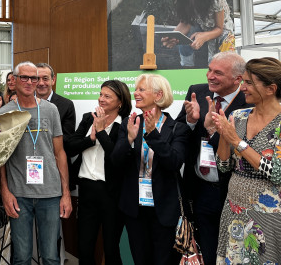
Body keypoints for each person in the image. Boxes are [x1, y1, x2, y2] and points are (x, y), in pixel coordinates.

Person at [176, 51, 251, 265]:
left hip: (233, 192)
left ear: (237, 79)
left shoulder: (249, 102)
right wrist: (191, 121)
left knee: (236, 253)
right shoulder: (197, 92)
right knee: (208, 251)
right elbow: (179, 131)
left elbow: (242, 149)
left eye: (218, 73)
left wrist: (212, 131)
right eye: (209, 70)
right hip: (200, 190)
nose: (210, 76)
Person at [111, 73, 190, 265]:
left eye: (141, 89)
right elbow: (115, 161)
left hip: (165, 209)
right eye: (136, 89)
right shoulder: (130, 123)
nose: (135, 93)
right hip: (135, 209)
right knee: (140, 260)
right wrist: (129, 139)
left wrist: (153, 134)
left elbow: (174, 162)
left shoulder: (177, 128)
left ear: (158, 95)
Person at [0, 61, 72, 265]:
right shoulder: (4, 113)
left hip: (50, 194)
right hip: (18, 194)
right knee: (21, 257)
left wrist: (65, 193)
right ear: (14, 81)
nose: (30, 82)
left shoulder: (51, 110)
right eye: (25, 77)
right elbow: (0, 158)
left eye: (34, 78)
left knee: (50, 256)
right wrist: (5, 191)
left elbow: (60, 153)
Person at [213, 57, 281, 264]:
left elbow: (276, 173)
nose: (242, 87)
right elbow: (223, 166)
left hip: (268, 216)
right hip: (234, 210)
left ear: (271, 89)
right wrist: (223, 133)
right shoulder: (238, 116)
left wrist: (236, 141)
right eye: (243, 81)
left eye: (249, 83)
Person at [65, 80, 131, 265]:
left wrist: (101, 132)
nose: (101, 99)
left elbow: (117, 157)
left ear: (120, 102)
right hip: (87, 190)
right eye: (101, 94)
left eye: (107, 96)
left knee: (111, 248)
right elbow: (70, 147)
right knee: (84, 247)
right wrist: (90, 139)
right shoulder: (89, 118)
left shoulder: (125, 124)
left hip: (112, 193)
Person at [36, 63, 77, 189]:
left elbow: (67, 139)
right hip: (30, 170)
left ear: (53, 80)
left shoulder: (66, 105)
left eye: (45, 78)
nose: (41, 83)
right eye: (37, 79)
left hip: (56, 170)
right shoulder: (22, 106)